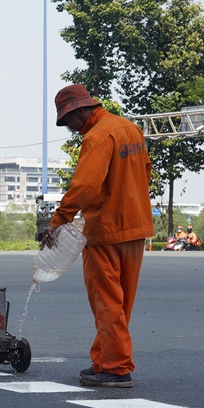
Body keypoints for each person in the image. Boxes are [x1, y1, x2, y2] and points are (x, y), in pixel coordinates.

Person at [40, 84, 154, 388]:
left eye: (68, 122)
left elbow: (85, 186)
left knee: (107, 303)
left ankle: (116, 368)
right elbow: (146, 173)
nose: (71, 129)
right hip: (135, 228)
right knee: (122, 302)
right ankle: (105, 359)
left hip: (105, 231)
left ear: (79, 110)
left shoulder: (97, 137)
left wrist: (58, 220)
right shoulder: (130, 129)